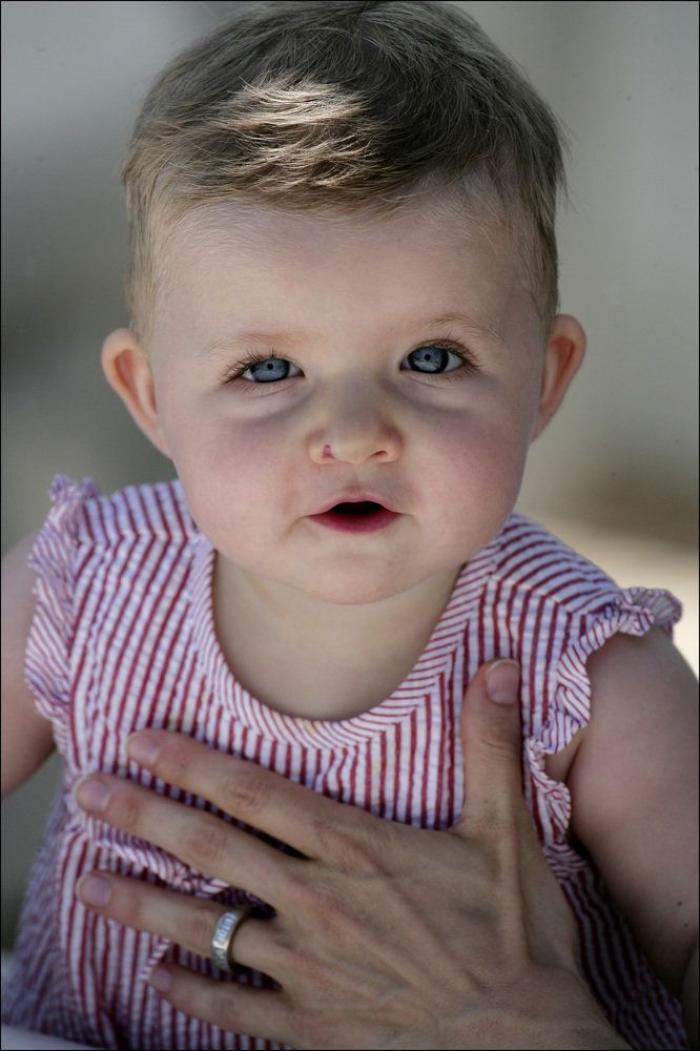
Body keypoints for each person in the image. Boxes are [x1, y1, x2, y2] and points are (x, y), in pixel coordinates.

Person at [1, 2, 697, 1049]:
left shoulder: (590, 673)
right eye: (268, 370)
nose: (355, 434)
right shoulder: (82, 583)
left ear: (542, 380)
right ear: (149, 398)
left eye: (431, 358)